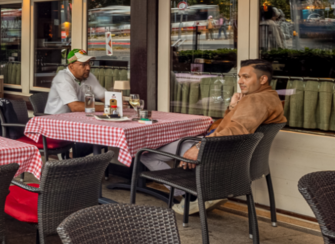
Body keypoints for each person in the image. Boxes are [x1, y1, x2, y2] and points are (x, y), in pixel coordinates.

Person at [142, 59, 287, 213]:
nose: (240, 81)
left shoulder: (255, 99)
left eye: (246, 77)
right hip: (229, 151)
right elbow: (235, 124)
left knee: (146, 155)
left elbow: (237, 130)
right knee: (178, 146)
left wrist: (199, 146)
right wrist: (233, 106)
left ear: (263, 79)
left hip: (217, 151)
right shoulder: (270, 97)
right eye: (239, 76)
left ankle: (191, 195)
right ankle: (196, 193)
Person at [43, 49, 107, 114]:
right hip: (54, 118)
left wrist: (112, 101)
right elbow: (74, 107)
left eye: (89, 63)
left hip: (76, 116)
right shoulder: (63, 78)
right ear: (71, 66)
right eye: (83, 64)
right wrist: (106, 107)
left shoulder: (89, 76)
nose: (88, 68)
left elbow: (103, 96)